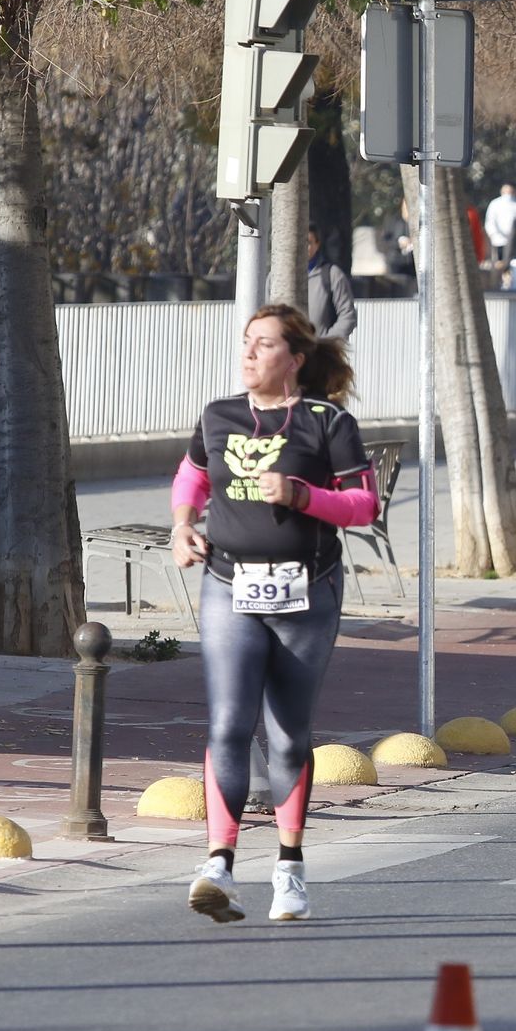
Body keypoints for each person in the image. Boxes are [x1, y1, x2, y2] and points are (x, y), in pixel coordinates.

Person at [170, 304, 379, 922]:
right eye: (247, 341)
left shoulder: (327, 422)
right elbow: (192, 476)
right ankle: (219, 864)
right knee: (228, 725)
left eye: (264, 344)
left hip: (305, 593)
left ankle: (289, 870)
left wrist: (301, 495)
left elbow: (364, 504)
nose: (249, 352)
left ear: (295, 359)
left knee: (287, 734)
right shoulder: (220, 415)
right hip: (228, 585)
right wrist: (182, 526)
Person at [306, 227, 356, 343]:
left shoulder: (332, 275)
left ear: (317, 244)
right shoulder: (275, 277)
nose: (302, 247)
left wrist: (327, 344)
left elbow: (347, 315)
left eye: (308, 242)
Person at [483, 184, 516, 263]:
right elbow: (490, 221)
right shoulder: (495, 204)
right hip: (501, 240)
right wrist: (493, 234)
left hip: (512, 241)